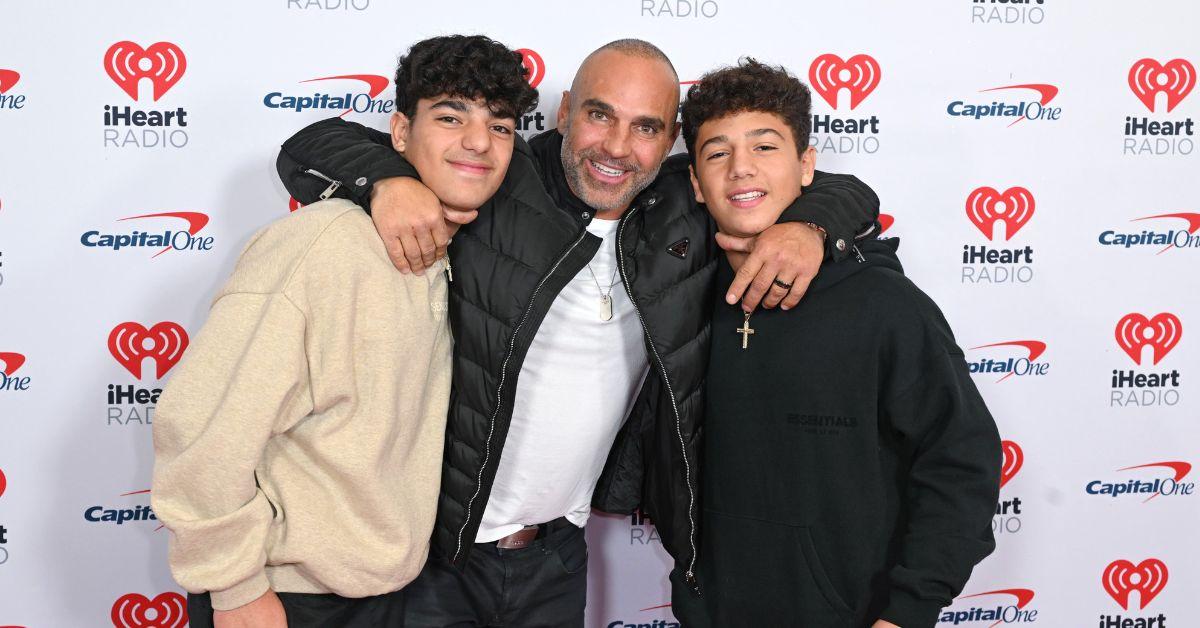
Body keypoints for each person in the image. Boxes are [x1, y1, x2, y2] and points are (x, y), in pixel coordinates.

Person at [278, 39, 880, 626]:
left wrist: (810, 227)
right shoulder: (495, 174)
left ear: (671, 143)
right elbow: (310, 145)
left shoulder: (685, 201)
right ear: (564, 111)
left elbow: (840, 190)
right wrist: (389, 181)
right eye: (599, 115)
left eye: (646, 128)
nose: (617, 148)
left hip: (558, 557)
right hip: (437, 556)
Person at [150, 35, 538, 628]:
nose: (479, 142)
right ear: (400, 133)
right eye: (451, 116)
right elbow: (201, 428)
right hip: (283, 598)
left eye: (501, 126)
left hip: (386, 592)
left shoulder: (453, 252)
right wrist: (233, 590)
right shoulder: (320, 246)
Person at [674, 59, 1001, 628]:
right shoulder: (678, 298)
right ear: (697, 184)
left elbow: (960, 462)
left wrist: (908, 610)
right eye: (717, 152)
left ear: (807, 168)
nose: (741, 169)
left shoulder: (886, 306)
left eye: (765, 147)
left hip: (854, 612)